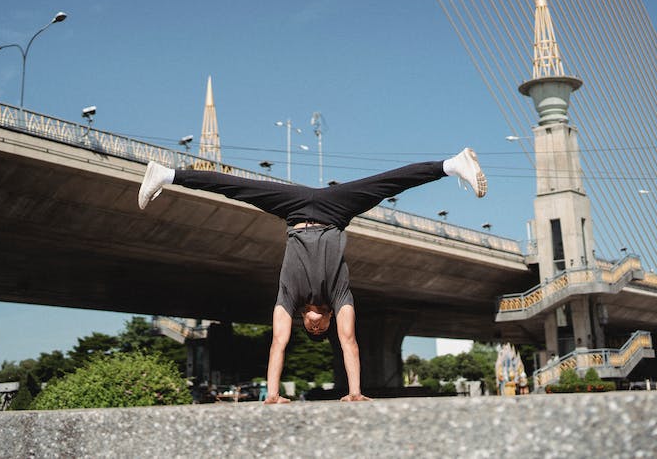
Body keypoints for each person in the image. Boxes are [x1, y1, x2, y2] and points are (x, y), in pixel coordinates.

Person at [138, 147, 487, 403]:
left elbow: (279, 342)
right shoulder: (340, 297)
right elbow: (349, 341)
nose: (318, 326)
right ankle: (453, 164)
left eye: (312, 328)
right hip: (335, 211)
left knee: (237, 186)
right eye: (322, 328)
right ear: (329, 318)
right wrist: (354, 393)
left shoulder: (287, 298)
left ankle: (166, 174)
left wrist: (272, 394)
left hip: (294, 210)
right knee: (387, 184)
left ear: (304, 319)